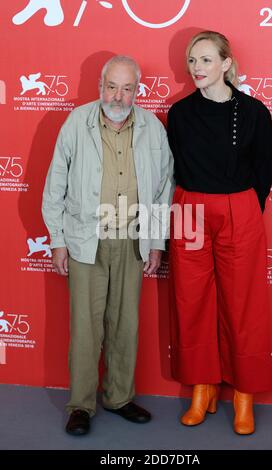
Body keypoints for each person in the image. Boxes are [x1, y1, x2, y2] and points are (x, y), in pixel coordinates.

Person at [42, 55, 173, 435]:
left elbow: (164, 189)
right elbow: (55, 187)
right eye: (112, 86)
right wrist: (57, 240)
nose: (118, 96)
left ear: (137, 90)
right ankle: (80, 405)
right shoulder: (75, 124)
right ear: (100, 86)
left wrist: (155, 242)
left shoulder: (152, 127)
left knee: (125, 325)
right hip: (86, 241)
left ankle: (119, 397)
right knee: (85, 327)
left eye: (127, 88)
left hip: (132, 240)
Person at [167, 31, 272, 435]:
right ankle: (203, 387)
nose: (196, 68)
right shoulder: (178, 114)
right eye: (192, 60)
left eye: (206, 60)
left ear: (227, 63)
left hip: (239, 208)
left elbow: (264, 166)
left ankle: (244, 394)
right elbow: (174, 167)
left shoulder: (253, 112)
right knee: (191, 301)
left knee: (242, 304)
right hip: (190, 209)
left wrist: (243, 208)